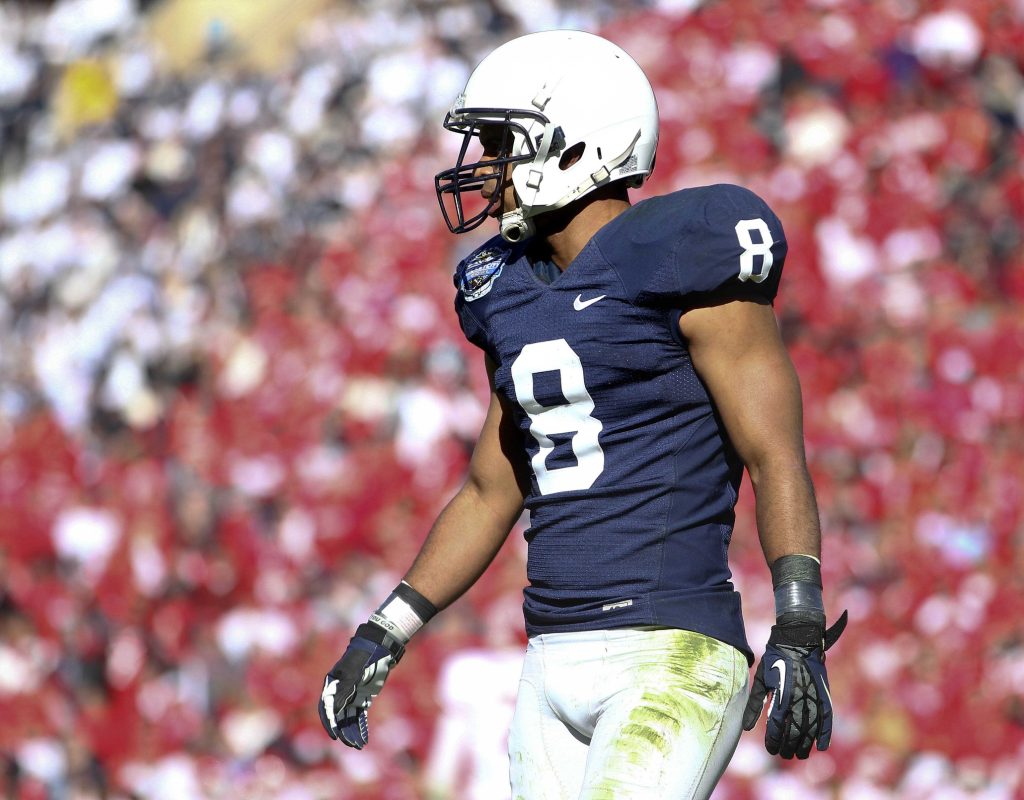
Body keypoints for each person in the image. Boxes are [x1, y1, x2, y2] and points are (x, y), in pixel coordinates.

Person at [318, 29, 846, 799]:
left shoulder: (683, 253)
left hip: (670, 651)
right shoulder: (507, 289)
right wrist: (384, 632)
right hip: (550, 659)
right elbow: (489, 490)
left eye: (501, 142)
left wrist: (798, 621)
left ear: (573, 145)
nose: (484, 167)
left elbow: (775, 453)